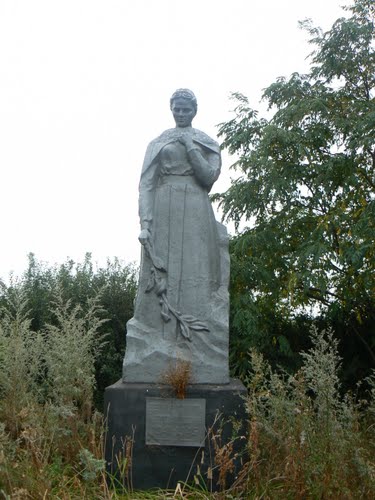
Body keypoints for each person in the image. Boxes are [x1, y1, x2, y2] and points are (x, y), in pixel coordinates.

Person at [123, 89, 229, 384]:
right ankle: (162, 338)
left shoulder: (207, 142)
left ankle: (195, 346)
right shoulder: (159, 142)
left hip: (196, 206)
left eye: (186, 110)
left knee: (195, 272)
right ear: (171, 110)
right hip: (165, 204)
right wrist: (145, 222)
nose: (181, 114)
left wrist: (190, 146)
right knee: (164, 273)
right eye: (177, 110)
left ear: (194, 110)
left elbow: (208, 178)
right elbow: (145, 184)